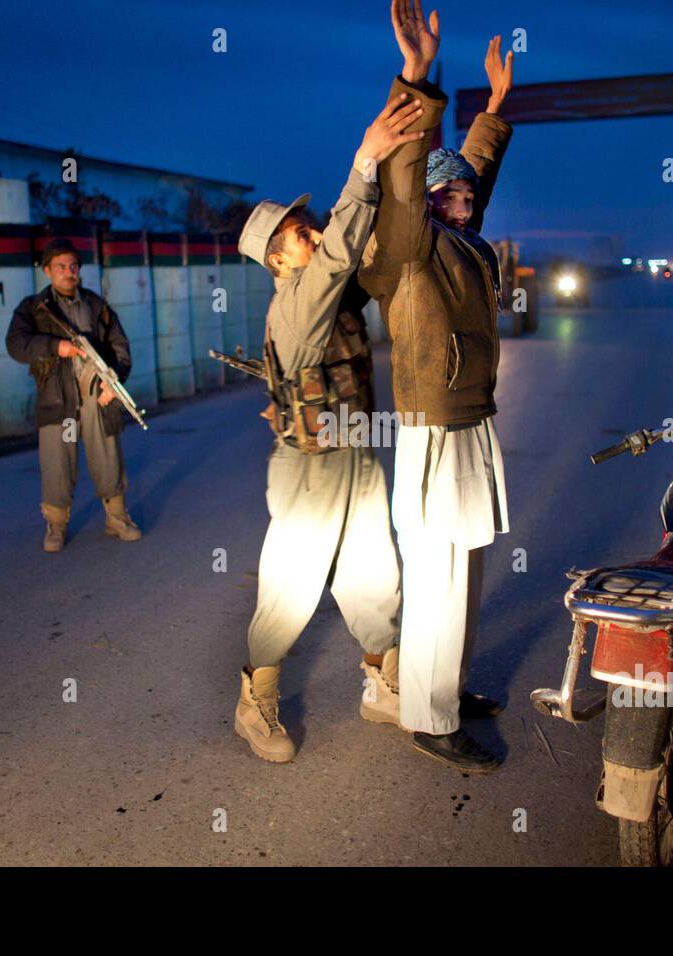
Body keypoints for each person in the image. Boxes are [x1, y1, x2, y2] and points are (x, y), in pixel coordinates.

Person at [231, 92, 425, 763]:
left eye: (308, 224)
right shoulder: (298, 301)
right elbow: (343, 248)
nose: (310, 233)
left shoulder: (331, 291)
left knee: (375, 574)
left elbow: (381, 246)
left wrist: (416, 95)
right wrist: (365, 161)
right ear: (278, 262)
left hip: (357, 455)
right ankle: (255, 704)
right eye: (297, 235)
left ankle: (383, 685)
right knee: (290, 585)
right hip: (309, 469)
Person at [359, 0, 515, 772]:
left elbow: (471, 168)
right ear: (424, 201)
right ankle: (427, 716)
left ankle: (443, 689)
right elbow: (410, 174)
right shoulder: (411, 247)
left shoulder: (464, 241)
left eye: (467, 195)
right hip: (434, 427)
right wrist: (416, 79)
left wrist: (493, 110)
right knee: (440, 579)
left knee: (465, 572)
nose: (466, 200)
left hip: (468, 420)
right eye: (450, 194)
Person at [5, 237, 141, 552]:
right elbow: (16, 345)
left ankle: (117, 517)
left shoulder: (95, 305)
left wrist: (115, 380)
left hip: (96, 395)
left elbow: (120, 346)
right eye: (62, 266)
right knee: (57, 462)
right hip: (58, 397)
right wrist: (57, 347)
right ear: (48, 271)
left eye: (74, 266)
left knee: (107, 454)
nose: (69, 272)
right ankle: (56, 526)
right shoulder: (33, 308)